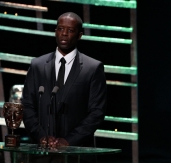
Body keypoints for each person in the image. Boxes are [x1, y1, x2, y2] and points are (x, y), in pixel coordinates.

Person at [21, 12, 107, 162]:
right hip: (42, 155)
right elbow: (27, 106)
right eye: (60, 29)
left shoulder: (92, 68)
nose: (64, 34)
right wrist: (41, 136)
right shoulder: (37, 65)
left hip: (77, 154)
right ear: (55, 31)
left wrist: (68, 141)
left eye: (70, 30)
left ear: (79, 35)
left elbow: (97, 112)